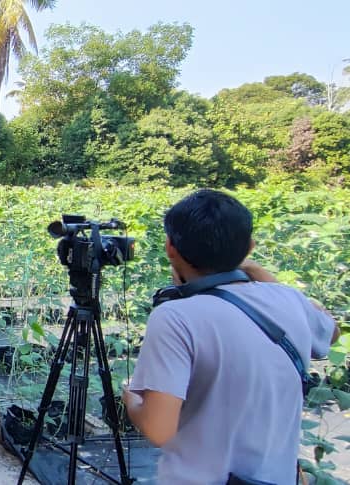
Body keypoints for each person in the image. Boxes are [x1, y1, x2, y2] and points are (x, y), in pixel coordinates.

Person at [123, 189, 338, 484]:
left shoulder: (176, 317)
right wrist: (256, 271)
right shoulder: (291, 301)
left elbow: (158, 430)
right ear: (249, 247)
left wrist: (131, 398)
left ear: (170, 247)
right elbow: (331, 331)